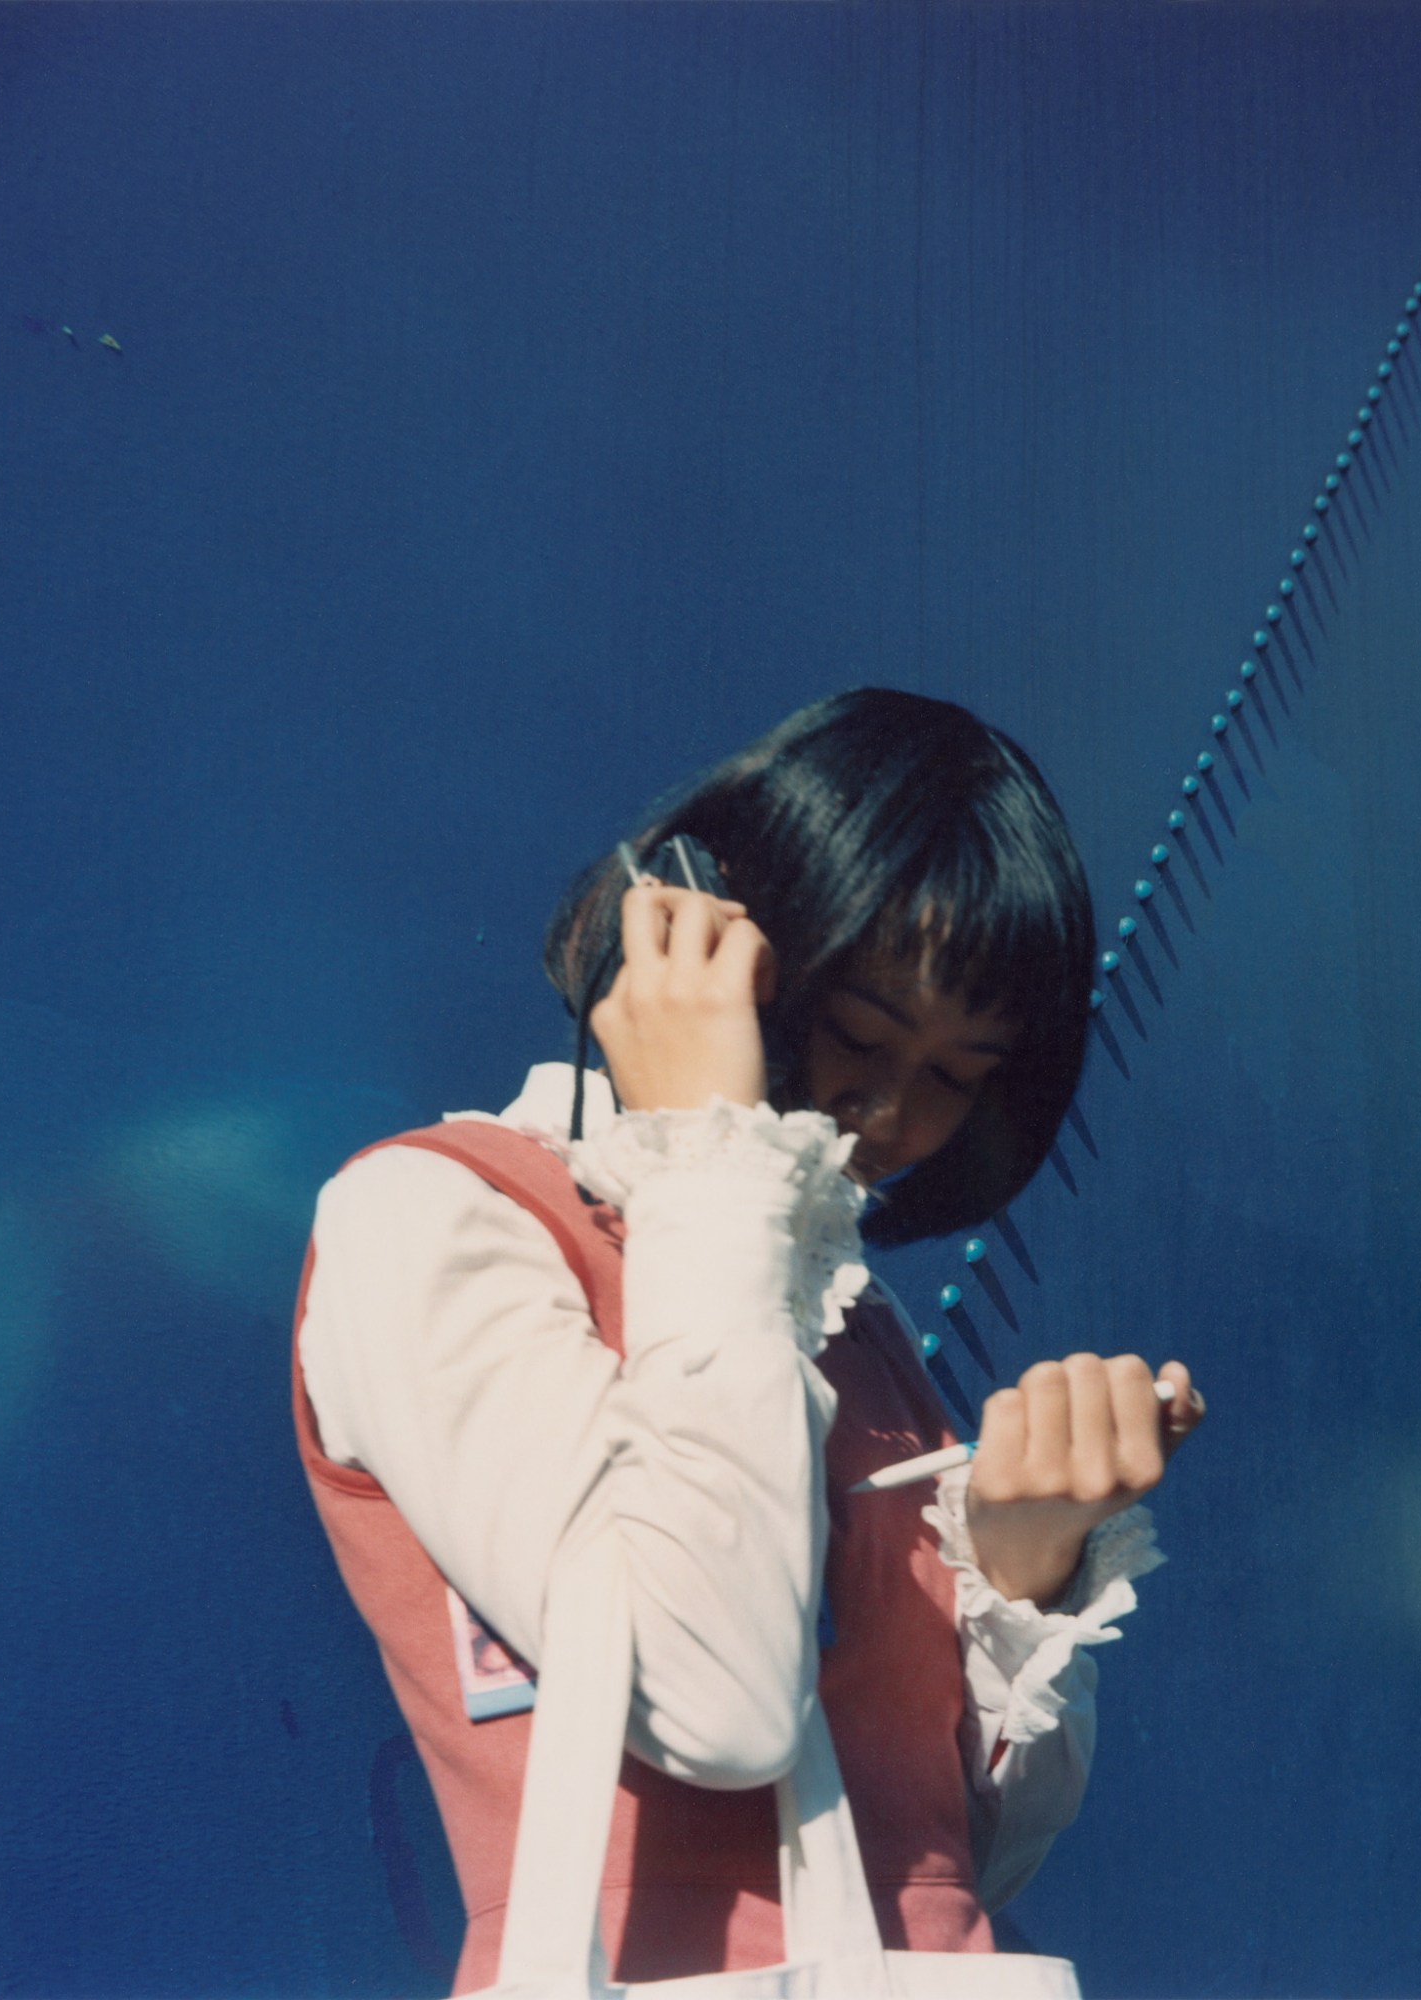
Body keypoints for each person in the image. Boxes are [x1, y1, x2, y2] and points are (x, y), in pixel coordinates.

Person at [292, 688, 1204, 1991]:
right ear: (714, 933)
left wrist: (1020, 1560)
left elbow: (946, 1864)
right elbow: (716, 1703)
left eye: (954, 1075)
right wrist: (709, 1146)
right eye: (863, 1034)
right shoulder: (439, 1219)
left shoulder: (853, 1325)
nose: (887, 1112)